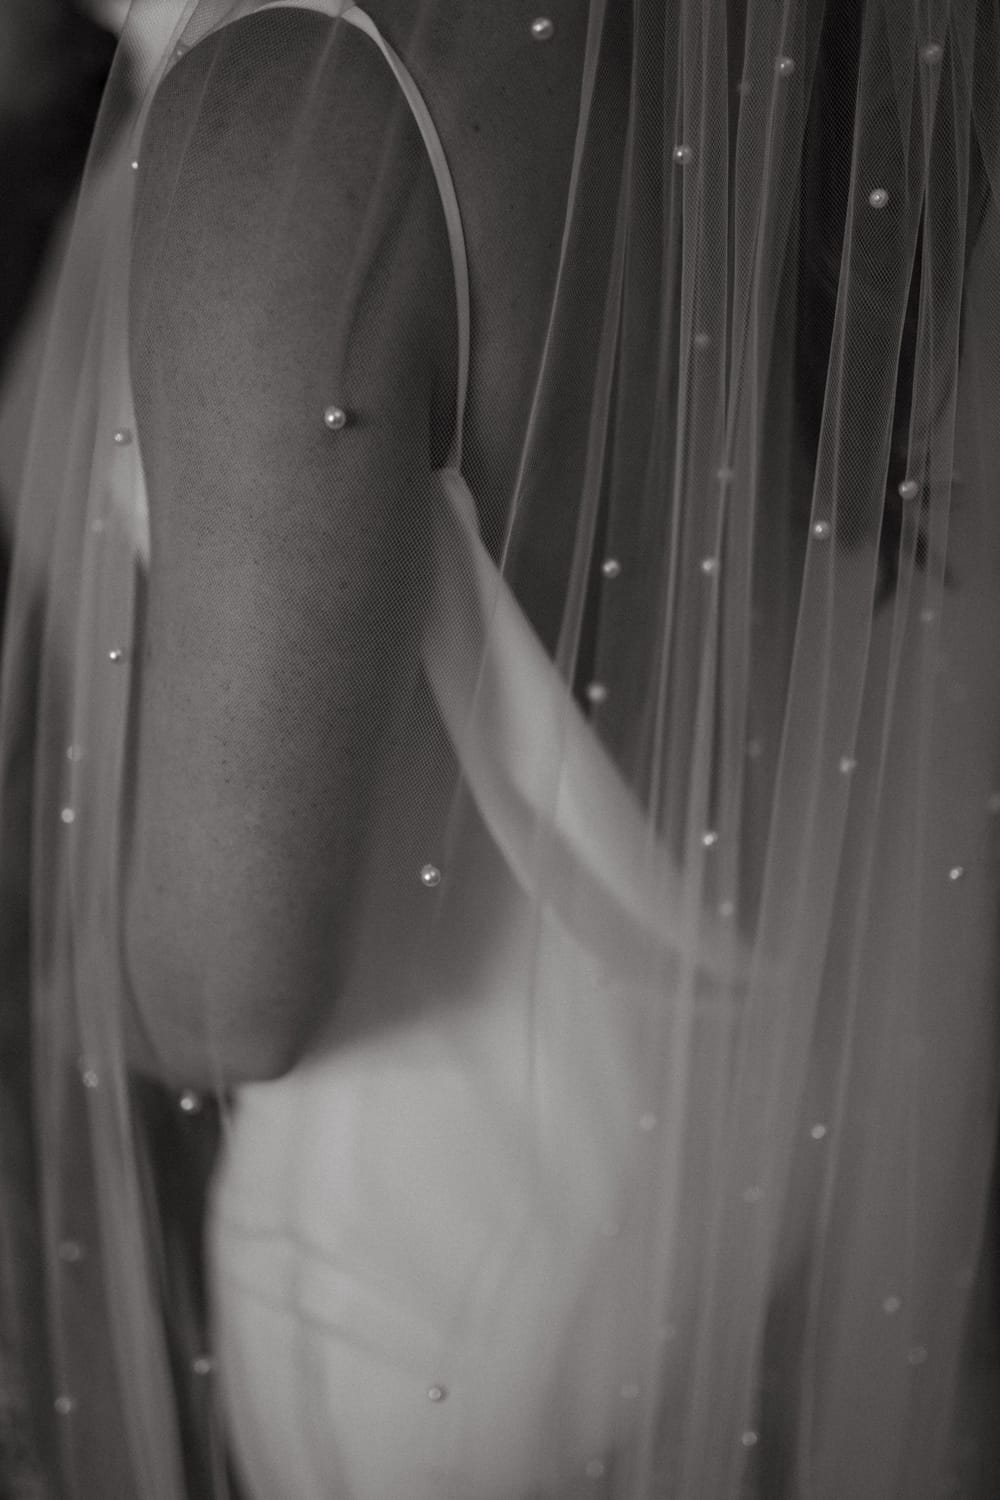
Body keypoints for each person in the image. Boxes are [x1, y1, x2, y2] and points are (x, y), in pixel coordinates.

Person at [2, 2, 999, 1496]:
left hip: (428, 1293)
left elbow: (226, 1002)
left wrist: (52, 982)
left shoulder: (296, 117)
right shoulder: (825, 40)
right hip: (781, 1139)